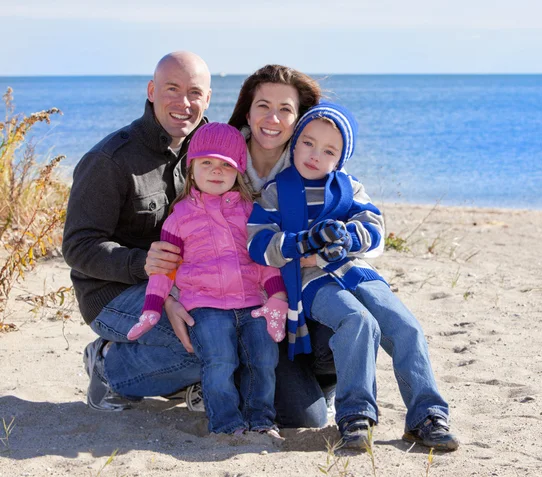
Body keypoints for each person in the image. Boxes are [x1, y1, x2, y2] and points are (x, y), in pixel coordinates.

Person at [247, 102, 460, 451]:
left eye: (329, 150)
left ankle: (426, 416)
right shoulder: (276, 192)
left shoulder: (349, 188)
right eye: (308, 143)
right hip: (313, 280)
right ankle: (355, 415)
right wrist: (303, 242)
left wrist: (348, 238)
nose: (315, 155)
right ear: (296, 141)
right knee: (358, 321)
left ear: (341, 158)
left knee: (405, 326)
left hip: (358, 270)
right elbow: (258, 242)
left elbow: (374, 228)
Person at [145, 63, 337, 428]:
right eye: (263, 105)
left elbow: (349, 221)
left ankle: (322, 382)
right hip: (229, 302)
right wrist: (168, 294)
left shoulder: (313, 163)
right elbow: (181, 230)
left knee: (335, 332)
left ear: (300, 119)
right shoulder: (220, 153)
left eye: (286, 109)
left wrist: (323, 251)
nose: (273, 118)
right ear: (247, 110)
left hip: (289, 296)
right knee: (302, 416)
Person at [62, 51, 212, 410]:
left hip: (188, 286)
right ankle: (107, 364)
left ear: (207, 99)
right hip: (113, 293)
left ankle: (187, 381)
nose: (183, 103)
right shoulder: (110, 160)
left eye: (194, 92)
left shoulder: (211, 149)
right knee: (204, 346)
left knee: (230, 332)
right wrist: (144, 264)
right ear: (150, 90)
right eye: (171, 89)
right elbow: (78, 246)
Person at [126, 123, 287, 437]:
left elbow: (266, 259)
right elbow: (164, 269)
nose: (216, 171)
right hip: (205, 306)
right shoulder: (179, 217)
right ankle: (226, 424)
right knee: (220, 361)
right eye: (207, 163)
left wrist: (277, 295)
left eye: (226, 165)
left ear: (238, 170)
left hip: (253, 303)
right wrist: (152, 307)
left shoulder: (250, 211)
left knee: (263, 359)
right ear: (191, 169)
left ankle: (261, 421)